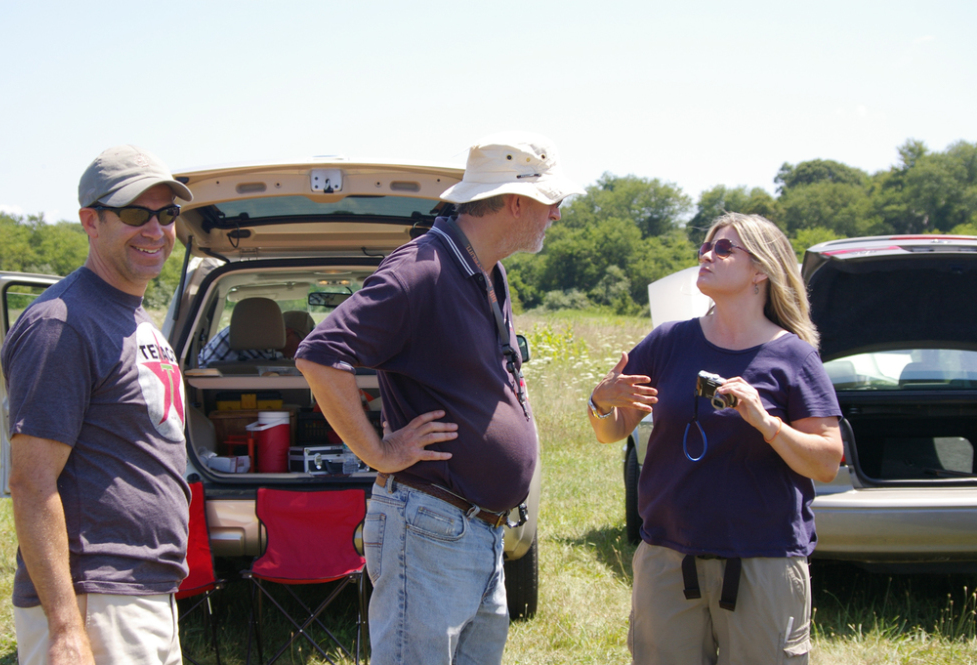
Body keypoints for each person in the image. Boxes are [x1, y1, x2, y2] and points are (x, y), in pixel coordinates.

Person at [295, 132, 584, 664]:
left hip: (477, 530)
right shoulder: (422, 269)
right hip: (432, 529)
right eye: (552, 203)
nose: (557, 216)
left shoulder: (487, 271)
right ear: (517, 202)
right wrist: (378, 454)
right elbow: (320, 356)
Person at [588, 213, 844, 664]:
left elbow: (825, 462)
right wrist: (601, 402)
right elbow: (613, 431)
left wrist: (768, 424)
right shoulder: (669, 341)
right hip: (668, 558)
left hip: (762, 560)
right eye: (706, 247)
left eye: (724, 249)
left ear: (761, 270)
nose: (707, 255)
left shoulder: (793, 357)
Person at [3, 145, 194, 665]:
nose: (155, 230)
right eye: (135, 214)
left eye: (167, 214)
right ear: (90, 220)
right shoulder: (63, 323)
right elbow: (31, 481)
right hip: (96, 595)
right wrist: (66, 629)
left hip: (142, 591)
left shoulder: (135, 318)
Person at [198, 309, 314, 366]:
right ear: (288, 333)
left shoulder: (242, 332)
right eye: (303, 342)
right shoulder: (252, 339)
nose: (305, 349)